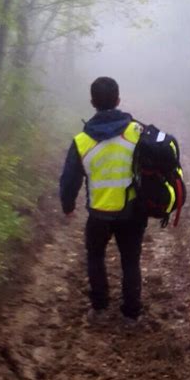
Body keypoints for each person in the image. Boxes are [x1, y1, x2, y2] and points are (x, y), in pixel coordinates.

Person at [60, 77, 147, 325]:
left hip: (98, 214)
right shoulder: (136, 131)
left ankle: (99, 308)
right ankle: (131, 314)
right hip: (131, 212)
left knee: (95, 257)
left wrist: (68, 206)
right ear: (118, 101)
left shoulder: (81, 141)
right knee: (131, 260)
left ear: (92, 102)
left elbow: (69, 180)